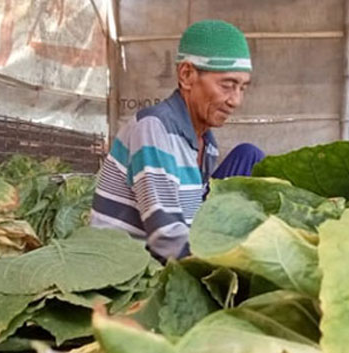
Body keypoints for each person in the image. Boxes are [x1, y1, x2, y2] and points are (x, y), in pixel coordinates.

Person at [90, 19, 265, 261]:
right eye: (227, 85)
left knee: (249, 156)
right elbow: (164, 235)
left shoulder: (206, 140)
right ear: (187, 75)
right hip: (131, 266)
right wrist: (233, 264)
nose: (236, 100)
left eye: (243, 88)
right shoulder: (153, 128)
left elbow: (192, 212)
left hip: (173, 244)